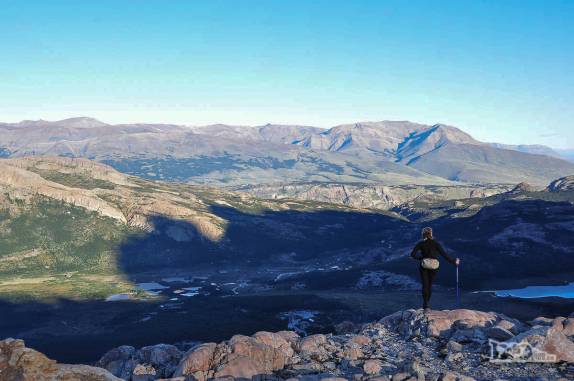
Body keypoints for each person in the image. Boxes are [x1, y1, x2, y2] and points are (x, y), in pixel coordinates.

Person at [410, 227, 460, 311]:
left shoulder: (421, 243)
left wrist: (421, 258)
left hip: (424, 265)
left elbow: (412, 254)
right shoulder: (436, 243)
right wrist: (454, 261)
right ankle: (428, 304)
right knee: (430, 285)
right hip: (434, 266)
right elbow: (444, 255)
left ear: (423, 234)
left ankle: (425, 305)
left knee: (425, 285)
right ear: (431, 234)